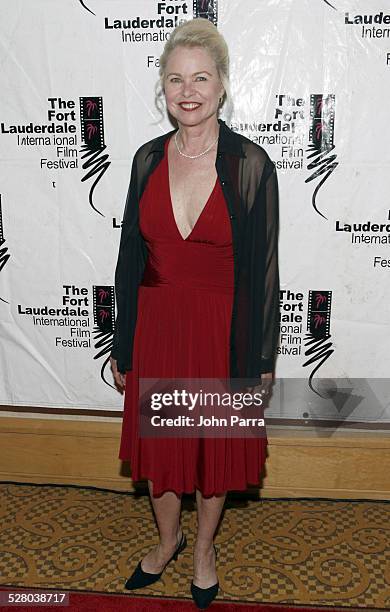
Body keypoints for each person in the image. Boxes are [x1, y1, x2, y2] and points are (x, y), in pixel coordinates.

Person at [110, 17, 280, 609]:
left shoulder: (251, 165)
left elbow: (263, 272)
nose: (188, 90)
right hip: (156, 325)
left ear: (223, 84)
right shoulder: (144, 161)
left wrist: (260, 357)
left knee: (210, 451)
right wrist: (121, 342)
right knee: (161, 455)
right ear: (163, 86)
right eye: (176, 78)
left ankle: (204, 548)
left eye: (200, 77)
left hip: (220, 331)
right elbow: (129, 256)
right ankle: (167, 540)